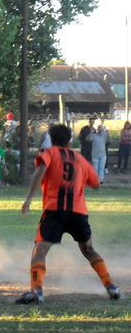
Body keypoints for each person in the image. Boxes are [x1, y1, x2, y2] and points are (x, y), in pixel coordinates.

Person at [16, 124, 120, 304]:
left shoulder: (49, 153)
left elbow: (40, 170)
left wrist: (28, 198)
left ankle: (37, 291)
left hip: (54, 210)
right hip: (78, 212)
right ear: (69, 139)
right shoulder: (80, 158)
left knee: (40, 250)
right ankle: (111, 285)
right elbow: (95, 183)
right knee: (88, 249)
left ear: (51, 138)